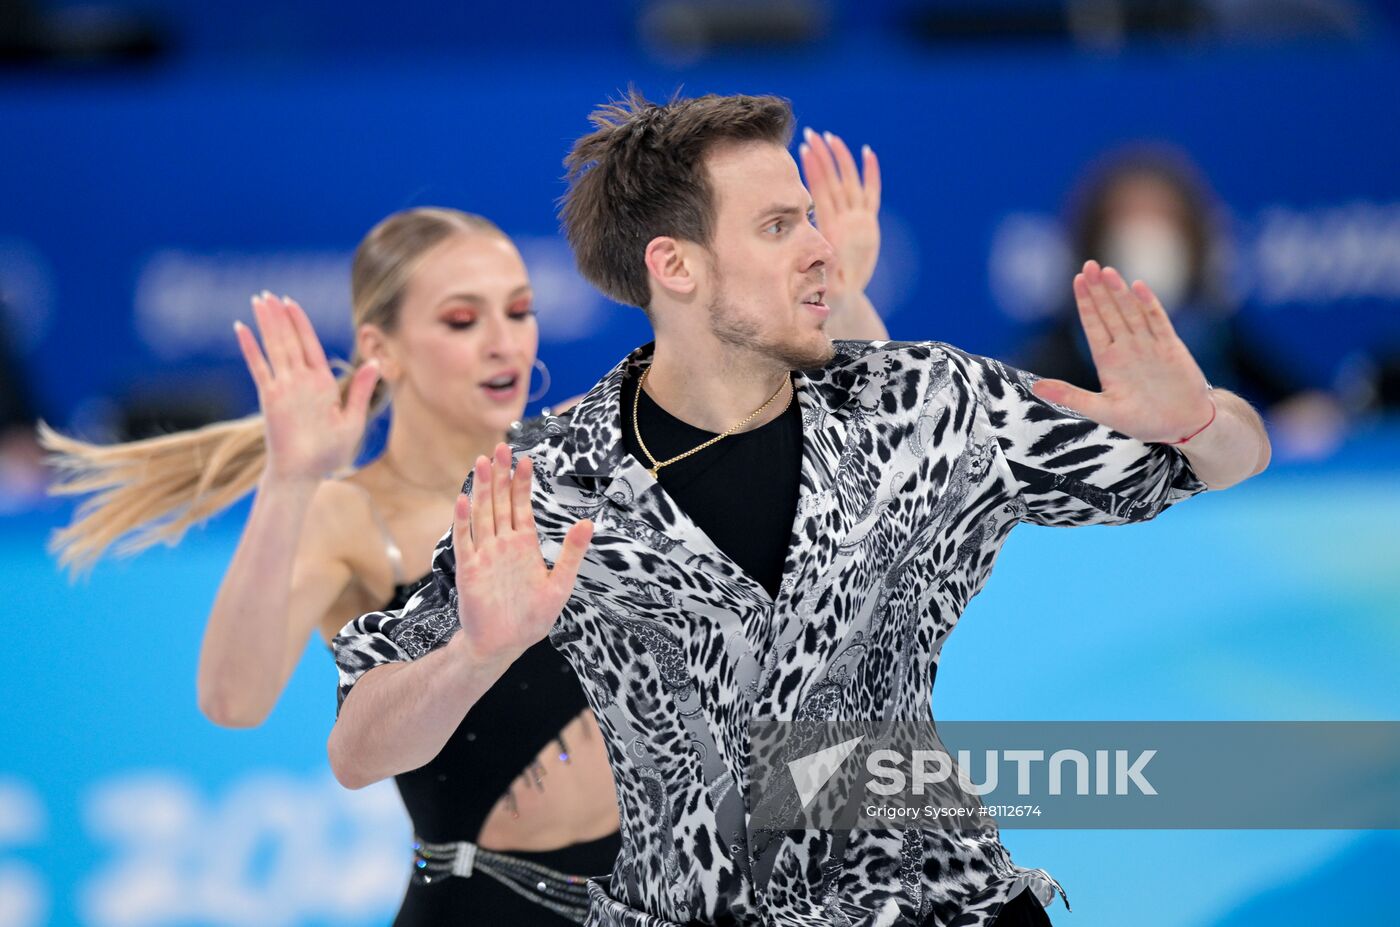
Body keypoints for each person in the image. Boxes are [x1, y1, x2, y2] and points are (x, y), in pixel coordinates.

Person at [327, 92, 1271, 927]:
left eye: (810, 218)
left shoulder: (927, 406)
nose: (822, 247)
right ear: (677, 266)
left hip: (939, 905)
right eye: (779, 226)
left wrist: (1198, 421)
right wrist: (475, 652)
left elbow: (1232, 458)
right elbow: (361, 746)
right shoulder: (552, 478)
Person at [1017, 145, 1347, 459]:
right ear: (1096, 236)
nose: (1146, 235)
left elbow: (1305, 407)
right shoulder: (1059, 347)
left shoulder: (1215, 332)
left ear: (1191, 236)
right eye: (1127, 218)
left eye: (1162, 217)